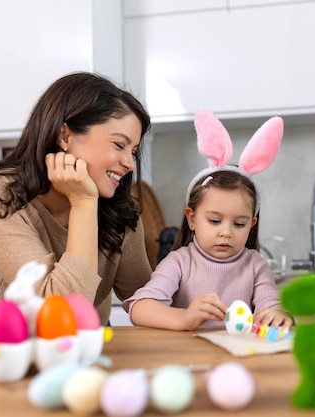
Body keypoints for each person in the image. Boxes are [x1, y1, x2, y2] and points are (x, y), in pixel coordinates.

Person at [0, 72, 153, 325]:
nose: (129, 163)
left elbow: (146, 298)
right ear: (64, 137)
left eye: (134, 151)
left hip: (92, 347)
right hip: (13, 350)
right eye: (119, 145)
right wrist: (83, 202)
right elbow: (59, 313)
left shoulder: (118, 211)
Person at [124, 109, 292, 330]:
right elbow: (140, 308)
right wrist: (185, 318)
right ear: (192, 219)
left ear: (252, 225)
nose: (226, 232)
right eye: (214, 221)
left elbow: (271, 306)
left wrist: (277, 315)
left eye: (239, 224)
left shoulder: (255, 265)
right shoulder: (179, 262)